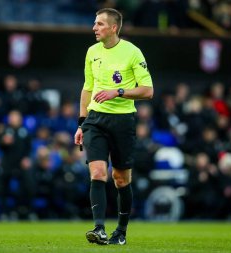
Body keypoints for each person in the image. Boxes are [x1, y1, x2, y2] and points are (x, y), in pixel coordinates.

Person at [74, 8, 153, 245]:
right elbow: (87, 88)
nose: (94, 28)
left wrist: (117, 92)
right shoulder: (92, 52)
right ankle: (99, 229)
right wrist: (80, 124)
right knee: (97, 172)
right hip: (95, 120)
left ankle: (121, 231)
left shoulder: (132, 52)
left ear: (113, 28)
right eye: (94, 23)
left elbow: (148, 91)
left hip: (123, 120)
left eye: (99, 24)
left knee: (120, 178)